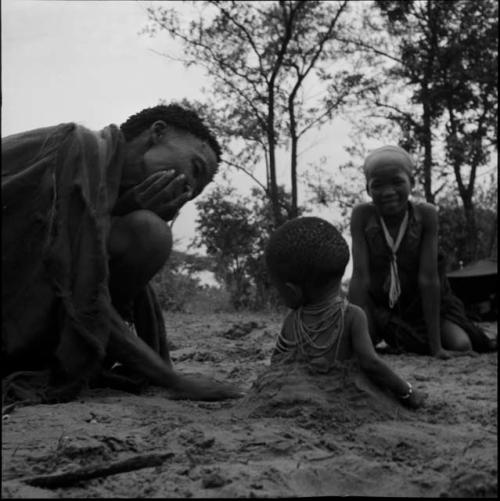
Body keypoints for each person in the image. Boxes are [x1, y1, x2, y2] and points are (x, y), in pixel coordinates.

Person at [2, 103, 240, 403]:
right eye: (195, 168)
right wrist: (173, 380)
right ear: (157, 132)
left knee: (147, 232)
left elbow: (83, 257)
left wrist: (127, 205)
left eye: (195, 192)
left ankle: (54, 355)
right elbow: (83, 292)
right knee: (150, 233)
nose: (188, 190)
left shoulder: (109, 197)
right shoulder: (80, 150)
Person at [348, 145, 494, 359]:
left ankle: (420, 340)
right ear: (368, 189)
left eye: (397, 182)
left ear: (412, 183)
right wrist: (352, 338)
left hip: (423, 307)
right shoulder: (362, 216)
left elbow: (428, 279)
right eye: (378, 185)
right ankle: (394, 335)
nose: (388, 192)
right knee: (363, 341)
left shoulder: (425, 215)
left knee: (460, 345)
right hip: (382, 307)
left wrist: (436, 348)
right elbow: (360, 278)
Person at [264, 216, 425, 409]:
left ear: (292, 291)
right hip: (345, 403)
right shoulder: (352, 315)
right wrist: (408, 392)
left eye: (278, 288)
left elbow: (277, 364)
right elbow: (370, 363)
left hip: (299, 401)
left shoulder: (292, 320)